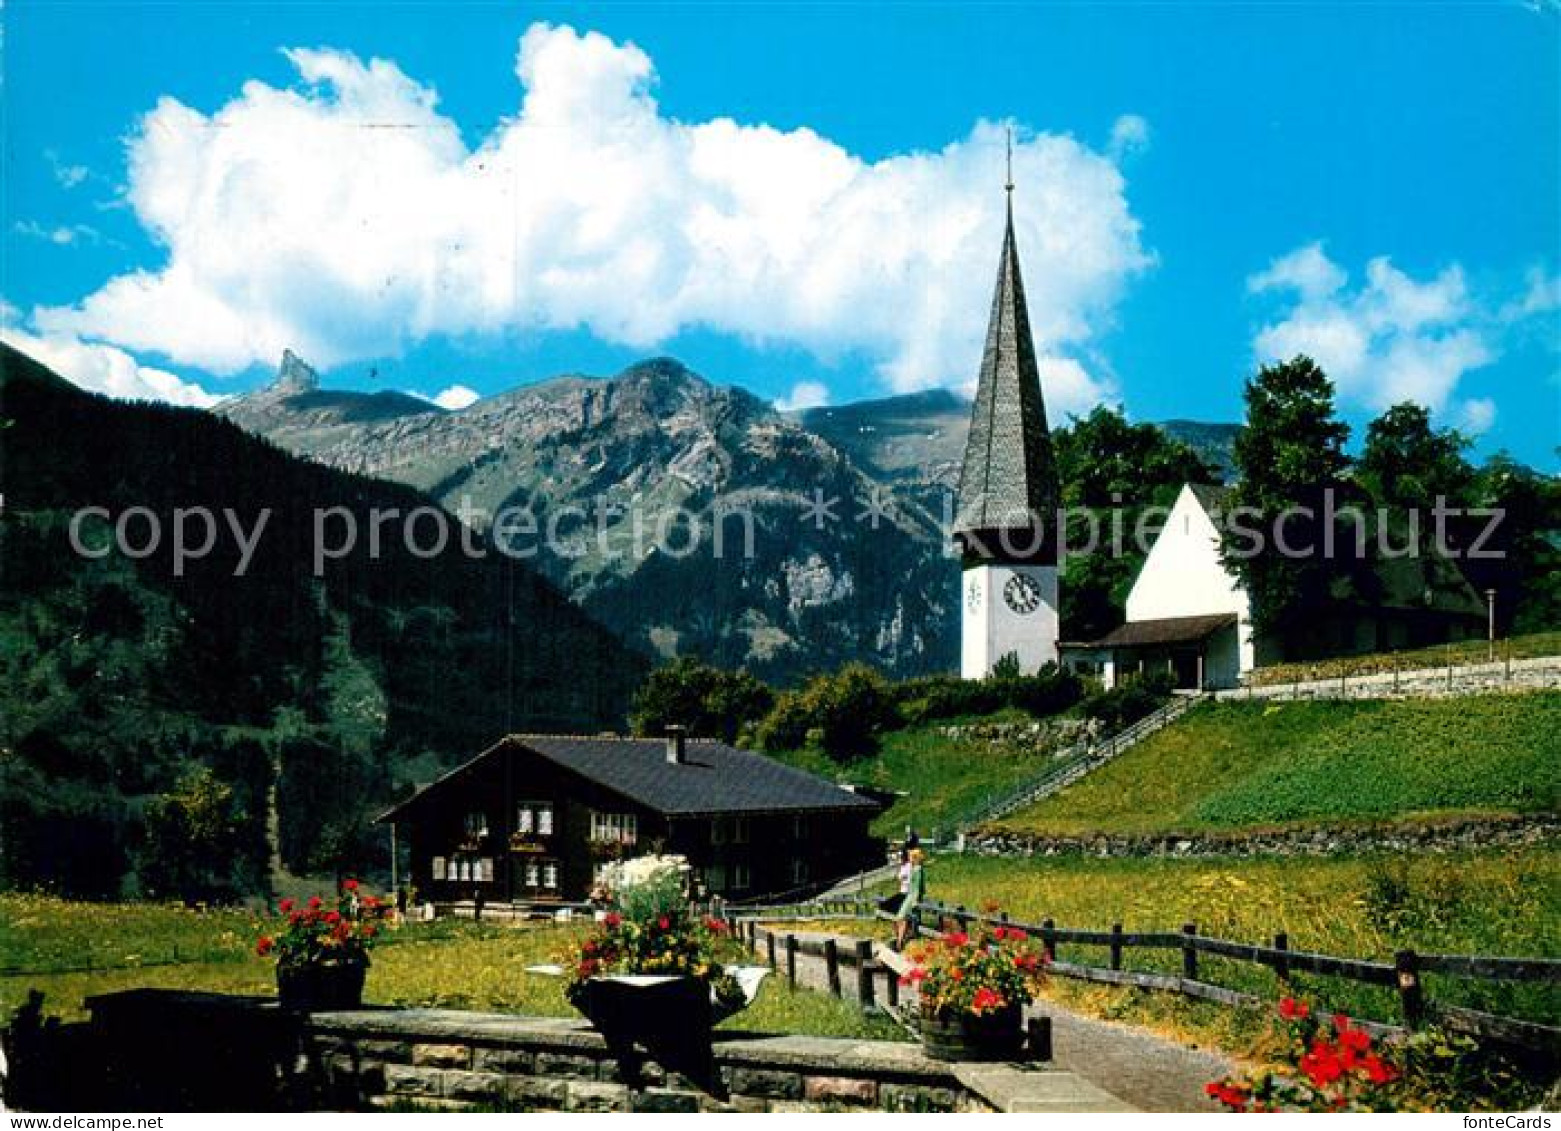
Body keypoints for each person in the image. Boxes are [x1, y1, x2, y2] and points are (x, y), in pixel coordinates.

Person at [894, 848, 925, 951]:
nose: (909, 858)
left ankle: (900, 942)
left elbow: (917, 886)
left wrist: (915, 900)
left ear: (915, 858)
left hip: (912, 896)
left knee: (901, 918)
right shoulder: (913, 868)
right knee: (899, 918)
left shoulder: (918, 869)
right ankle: (901, 940)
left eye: (911, 857)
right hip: (909, 895)